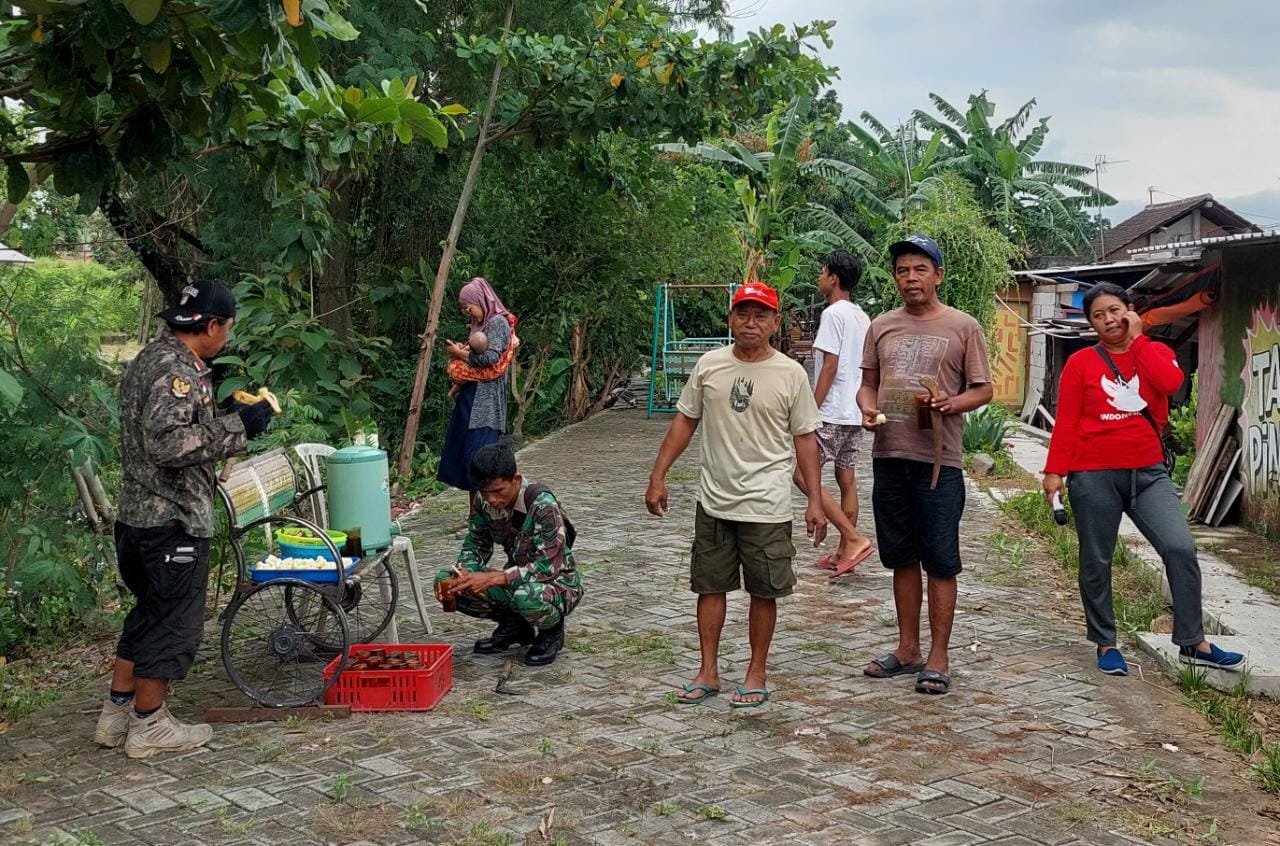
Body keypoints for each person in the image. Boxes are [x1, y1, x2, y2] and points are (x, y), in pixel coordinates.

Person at [96, 281, 275, 757]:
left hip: (137, 517)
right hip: (169, 519)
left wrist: (226, 414)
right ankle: (150, 723)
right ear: (212, 325)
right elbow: (169, 445)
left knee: (149, 612)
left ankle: (116, 714)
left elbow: (174, 426)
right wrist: (238, 426)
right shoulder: (176, 370)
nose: (227, 338)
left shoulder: (150, 359)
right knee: (172, 621)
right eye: (228, 328)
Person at [1042, 282, 1244, 676]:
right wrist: (1055, 471)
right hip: (1093, 474)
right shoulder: (1081, 363)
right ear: (1092, 324)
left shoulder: (1155, 352)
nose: (1109, 321)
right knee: (1096, 560)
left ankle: (1193, 641)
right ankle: (1105, 643)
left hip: (1149, 473)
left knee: (1180, 548)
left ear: (1130, 310)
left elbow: (1170, 384)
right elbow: (1066, 420)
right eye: (1098, 316)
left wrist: (1137, 340)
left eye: (1115, 310)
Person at [646, 281, 827, 709]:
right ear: (730, 319)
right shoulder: (709, 366)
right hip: (714, 499)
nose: (750, 323)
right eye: (742, 314)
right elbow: (684, 422)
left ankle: (756, 671)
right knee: (710, 587)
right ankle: (708, 670)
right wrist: (658, 475)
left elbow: (805, 438)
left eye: (760, 315)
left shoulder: (790, 374)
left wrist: (815, 500)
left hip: (767, 504)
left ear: (774, 322)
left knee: (764, 591)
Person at [859, 235, 992, 695]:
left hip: (940, 461)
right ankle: (907, 647)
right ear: (894, 278)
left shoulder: (963, 326)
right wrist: (868, 410)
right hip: (889, 455)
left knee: (939, 560)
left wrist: (950, 404)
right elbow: (868, 385)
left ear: (937, 274)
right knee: (900, 557)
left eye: (920, 269)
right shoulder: (880, 326)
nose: (910, 278)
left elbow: (983, 389)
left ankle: (939, 654)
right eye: (902, 270)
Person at [434, 443, 583, 666]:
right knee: (447, 581)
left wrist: (493, 579)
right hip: (516, 578)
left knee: (526, 596)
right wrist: (464, 572)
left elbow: (547, 567)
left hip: (557, 582)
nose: (492, 500)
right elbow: (476, 544)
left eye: (497, 491)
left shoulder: (541, 505)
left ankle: (551, 631)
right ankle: (516, 627)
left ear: (515, 479)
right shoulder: (482, 502)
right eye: (485, 493)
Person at [797, 250, 875, 578]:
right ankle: (845, 552)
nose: (819, 277)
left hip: (832, 411)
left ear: (834, 278)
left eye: (822, 271)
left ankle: (854, 538)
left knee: (803, 475)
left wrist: (810, 409)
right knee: (846, 477)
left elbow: (829, 365)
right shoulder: (861, 316)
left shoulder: (832, 314)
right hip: (855, 409)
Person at [437, 278, 513, 497]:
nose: (468, 313)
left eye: (469, 307)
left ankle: (484, 514)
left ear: (481, 300)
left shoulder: (498, 322)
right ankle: (474, 514)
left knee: (480, 456)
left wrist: (459, 354)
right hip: (470, 397)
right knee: (466, 456)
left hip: (485, 403)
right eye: (464, 310)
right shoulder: (479, 326)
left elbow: (490, 358)